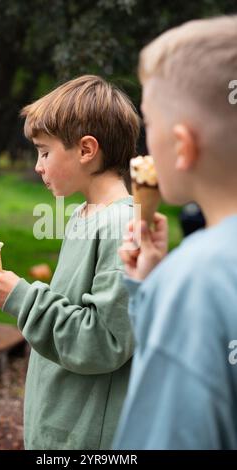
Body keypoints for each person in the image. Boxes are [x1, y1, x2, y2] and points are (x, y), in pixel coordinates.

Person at [0, 75, 141, 449]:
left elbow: (104, 341)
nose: (37, 166)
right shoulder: (83, 215)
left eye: (44, 152)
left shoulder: (122, 226)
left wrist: (22, 298)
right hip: (61, 426)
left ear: (86, 150)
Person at [114, 16, 237, 449]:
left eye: (149, 124)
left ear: (183, 146)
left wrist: (171, 286)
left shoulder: (198, 279)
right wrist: (151, 287)